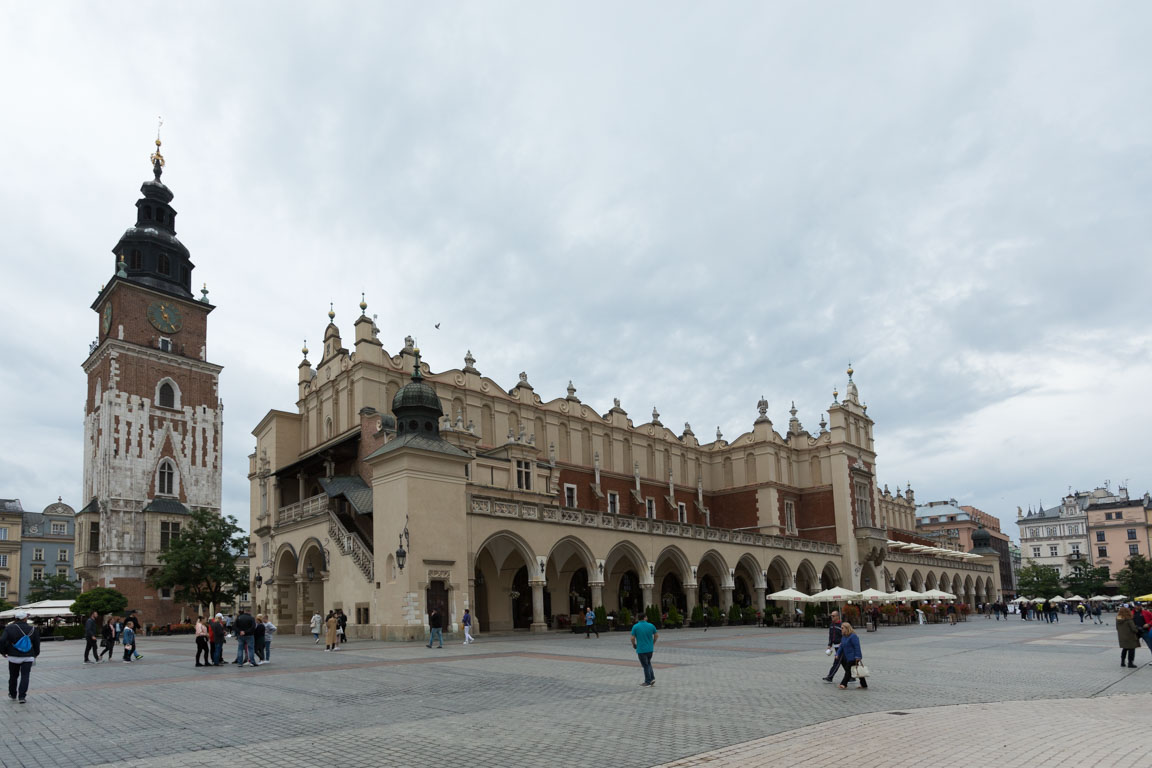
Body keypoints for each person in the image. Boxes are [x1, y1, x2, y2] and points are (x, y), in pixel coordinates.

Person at [0, 610, 40, 703]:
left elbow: (2, 640)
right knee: (25, 676)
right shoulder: (33, 629)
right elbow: (37, 643)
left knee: (13, 676)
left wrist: (2, 652)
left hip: (13, 656)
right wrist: (36, 654)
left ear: (16, 618)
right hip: (28, 656)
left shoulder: (9, 628)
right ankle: (22, 697)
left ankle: (13, 694)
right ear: (25, 618)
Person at [630, 612, 658, 687]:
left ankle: (647, 681)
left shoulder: (635, 626)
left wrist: (633, 644)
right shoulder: (651, 625)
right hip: (650, 649)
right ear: (645, 617)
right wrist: (653, 643)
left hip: (641, 649)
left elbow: (632, 638)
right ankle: (652, 678)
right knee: (648, 663)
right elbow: (656, 635)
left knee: (645, 665)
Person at [837, 622, 866, 689]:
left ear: (847, 628)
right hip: (848, 657)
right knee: (857, 670)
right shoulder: (844, 636)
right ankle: (864, 684)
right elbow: (841, 646)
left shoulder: (853, 636)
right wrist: (837, 654)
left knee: (848, 670)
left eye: (842, 628)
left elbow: (857, 646)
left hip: (853, 657)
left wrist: (858, 656)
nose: (841, 629)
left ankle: (844, 684)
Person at [822, 610, 843, 683]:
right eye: (831, 616)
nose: (832, 617)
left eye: (833, 616)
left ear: (837, 616)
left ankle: (830, 677)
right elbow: (831, 636)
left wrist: (842, 643)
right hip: (835, 646)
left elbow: (844, 635)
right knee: (845, 662)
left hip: (841, 647)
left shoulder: (841, 625)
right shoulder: (831, 625)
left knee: (836, 662)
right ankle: (851, 677)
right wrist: (829, 644)